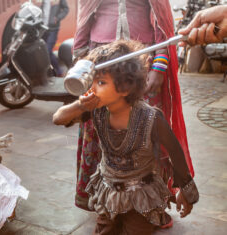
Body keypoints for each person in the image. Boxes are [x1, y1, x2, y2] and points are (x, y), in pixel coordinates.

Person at [53, 40, 199, 235]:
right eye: (92, 81)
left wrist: (185, 192)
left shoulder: (151, 118)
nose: (92, 89)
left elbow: (175, 152)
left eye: (101, 82)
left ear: (125, 88)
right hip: (107, 192)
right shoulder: (96, 109)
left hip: (141, 196)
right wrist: (80, 105)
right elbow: (58, 118)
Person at [72, 0, 195, 217]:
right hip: (100, 60)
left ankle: (150, 206)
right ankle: (104, 201)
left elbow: (161, 22)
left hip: (141, 64)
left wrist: (159, 65)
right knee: (100, 129)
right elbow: (84, 16)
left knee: (148, 131)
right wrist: (81, 62)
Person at [41, 0, 69, 76]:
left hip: (53, 29)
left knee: (47, 50)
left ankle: (59, 71)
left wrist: (57, 18)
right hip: (41, 28)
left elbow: (66, 9)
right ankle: (49, 72)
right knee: (41, 50)